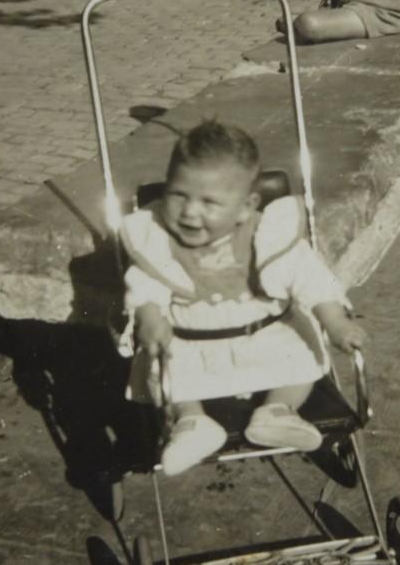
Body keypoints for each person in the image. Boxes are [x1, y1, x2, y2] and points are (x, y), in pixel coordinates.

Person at [118, 121, 366, 476]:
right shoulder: (156, 236)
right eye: (178, 195)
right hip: (189, 341)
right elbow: (144, 284)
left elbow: (309, 277)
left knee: (304, 354)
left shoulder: (267, 233)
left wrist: (335, 320)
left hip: (265, 333)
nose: (189, 212)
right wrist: (151, 317)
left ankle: (278, 411)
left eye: (209, 202)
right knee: (166, 369)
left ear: (247, 206)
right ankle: (192, 422)